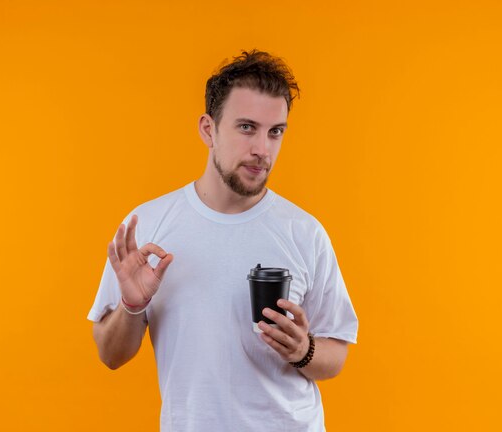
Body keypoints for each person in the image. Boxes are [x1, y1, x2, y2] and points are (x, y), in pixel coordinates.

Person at [87, 49, 359, 431]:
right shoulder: (149, 224)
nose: (262, 149)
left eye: (275, 131)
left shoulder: (305, 233)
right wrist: (133, 306)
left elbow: (337, 353)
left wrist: (303, 350)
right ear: (208, 129)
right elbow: (110, 354)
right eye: (247, 127)